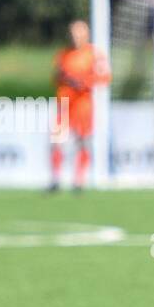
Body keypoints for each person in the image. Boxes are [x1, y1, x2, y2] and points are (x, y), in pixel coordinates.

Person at [50, 20, 110, 191]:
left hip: (83, 105)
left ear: (86, 35)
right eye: (72, 34)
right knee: (56, 140)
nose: (74, 37)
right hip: (65, 104)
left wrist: (84, 82)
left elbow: (104, 77)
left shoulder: (94, 54)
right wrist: (63, 78)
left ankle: (79, 179)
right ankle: (56, 179)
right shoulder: (63, 54)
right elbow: (56, 78)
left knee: (83, 141)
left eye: (78, 34)